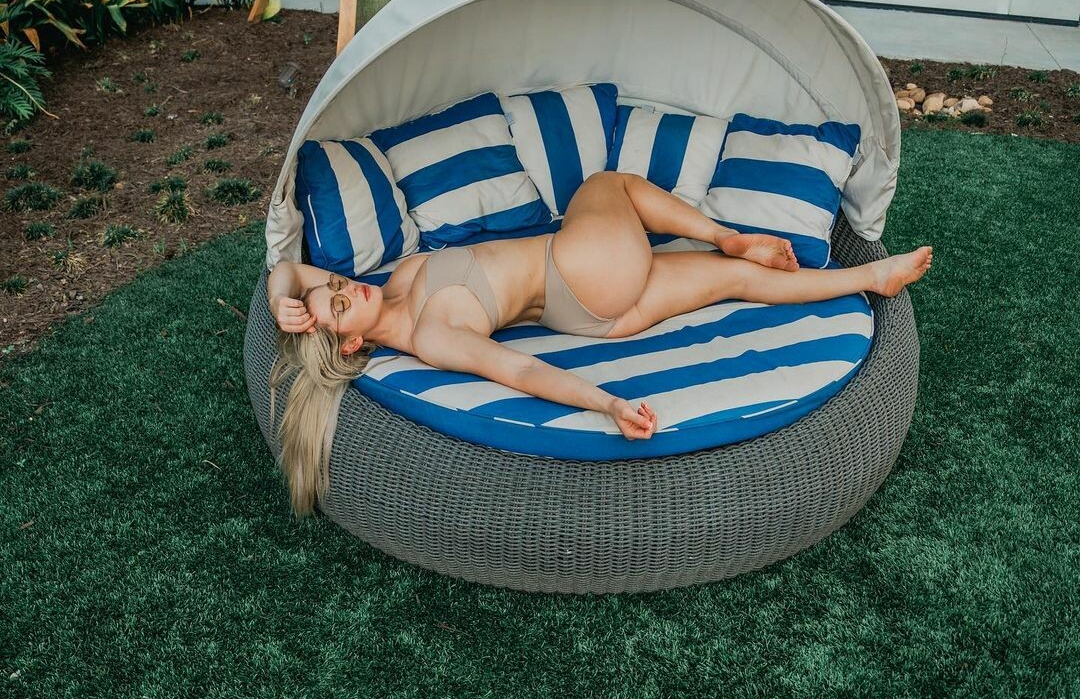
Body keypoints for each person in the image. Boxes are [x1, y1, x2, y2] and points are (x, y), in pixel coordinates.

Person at [267, 171, 933, 517]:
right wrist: (607, 403)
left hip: (596, 315)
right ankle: (725, 233)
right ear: (350, 344)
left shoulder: (395, 282)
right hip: (586, 269)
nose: (346, 288)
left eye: (337, 285)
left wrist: (283, 300)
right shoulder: (432, 335)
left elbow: (290, 271)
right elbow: (520, 371)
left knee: (736, 281)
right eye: (340, 304)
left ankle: (870, 277)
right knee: (605, 184)